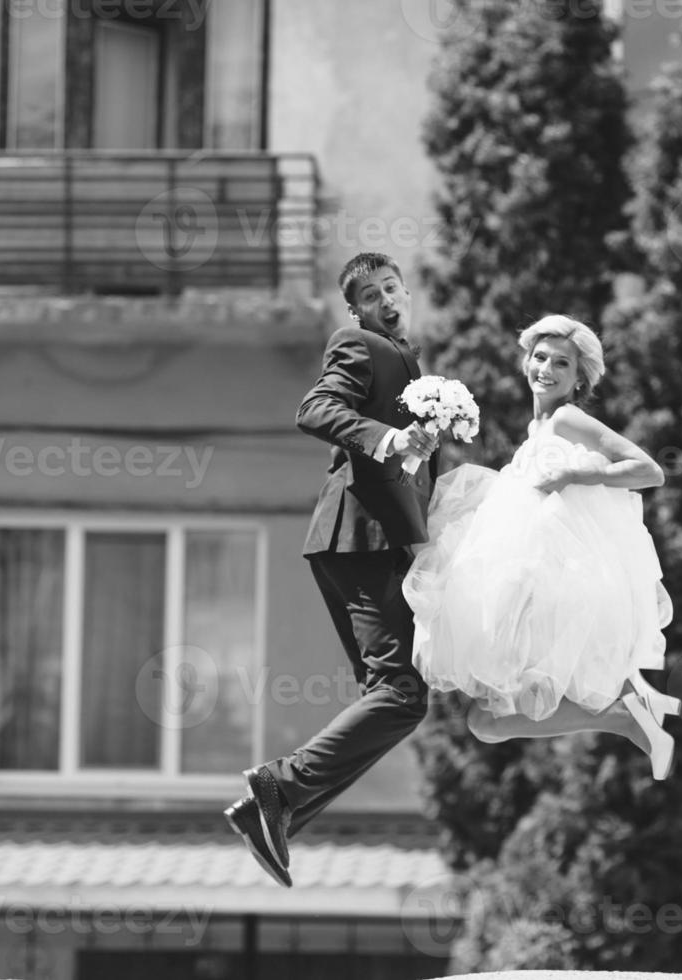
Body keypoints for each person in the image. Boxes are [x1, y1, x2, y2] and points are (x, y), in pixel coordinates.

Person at [224, 252, 441, 888]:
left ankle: (273, 809)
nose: (386, 299)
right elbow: (315, 409)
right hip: (359, 538)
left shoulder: (408, 361)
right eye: (371, 294)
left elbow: (411, 476)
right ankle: (277, 790)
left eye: (393, 287)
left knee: (394, 695)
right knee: (401, 693)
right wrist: (387, 438)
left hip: (370, 544)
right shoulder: (360, 343)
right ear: (357, 310)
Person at [402, 314, 680, 780]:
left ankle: (628, 713)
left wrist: (579, 474)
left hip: (553, 586)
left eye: (562, 363)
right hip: (525, 584)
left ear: (578, 380)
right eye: (540, 356)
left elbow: (650, 470)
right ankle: (630, 706)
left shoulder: (569, 419)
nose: (546, 369)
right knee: (484, 723)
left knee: (486, 719)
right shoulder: (537, 432)